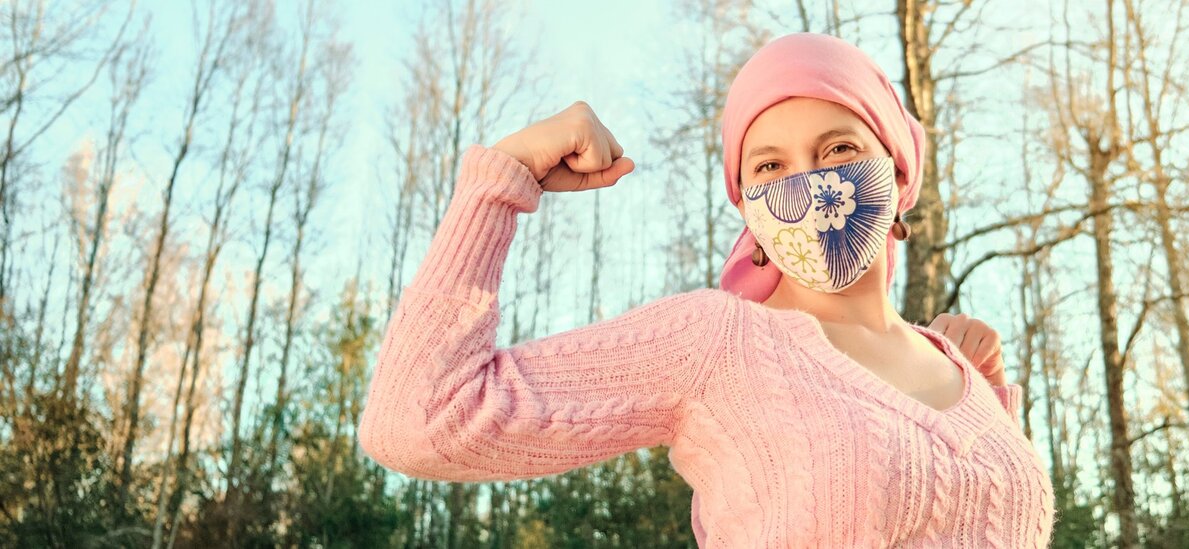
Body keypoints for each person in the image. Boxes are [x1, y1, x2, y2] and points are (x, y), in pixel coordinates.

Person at [359, 32, 1055, 547]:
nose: (808, 186)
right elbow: (418, 419)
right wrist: (500, 181)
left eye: (839, 149)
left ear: (899, 173)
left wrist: (990, 396)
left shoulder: (960, 364)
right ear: (749, 205)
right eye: (771, 164)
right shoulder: (719, 340)